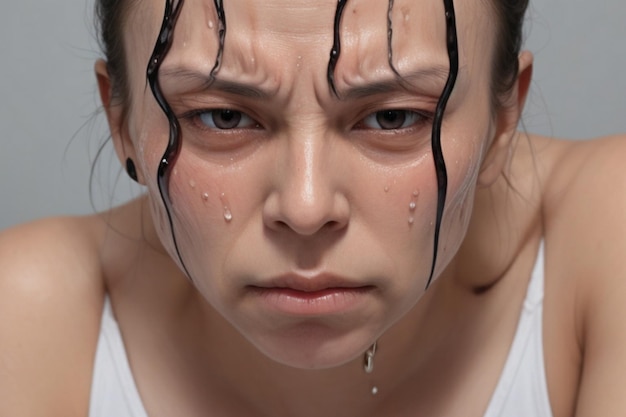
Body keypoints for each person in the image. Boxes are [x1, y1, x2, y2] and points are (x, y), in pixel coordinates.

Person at [1, 0, 625, 415]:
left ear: (502, 118)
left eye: (392, 116)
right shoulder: (30, 320)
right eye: (223, 116)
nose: (305, 207)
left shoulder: (603, 236)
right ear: (123, 122)